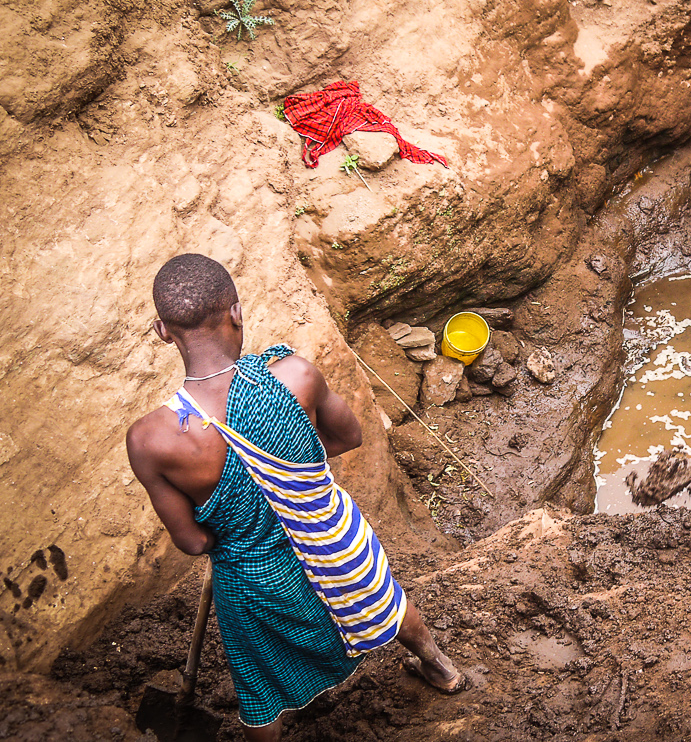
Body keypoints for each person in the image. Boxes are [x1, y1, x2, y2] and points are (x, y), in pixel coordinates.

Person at [126, 254, 466, 742]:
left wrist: (241, 513)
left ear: (163, 332)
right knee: (387, 604)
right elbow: (348, 437)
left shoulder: (151, 440)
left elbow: (193, 543)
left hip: (254, 582)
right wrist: (297, 473)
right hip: (335, 543)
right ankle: (439, 667)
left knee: (261, 694)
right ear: (236, 312)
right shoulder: (294, 377)